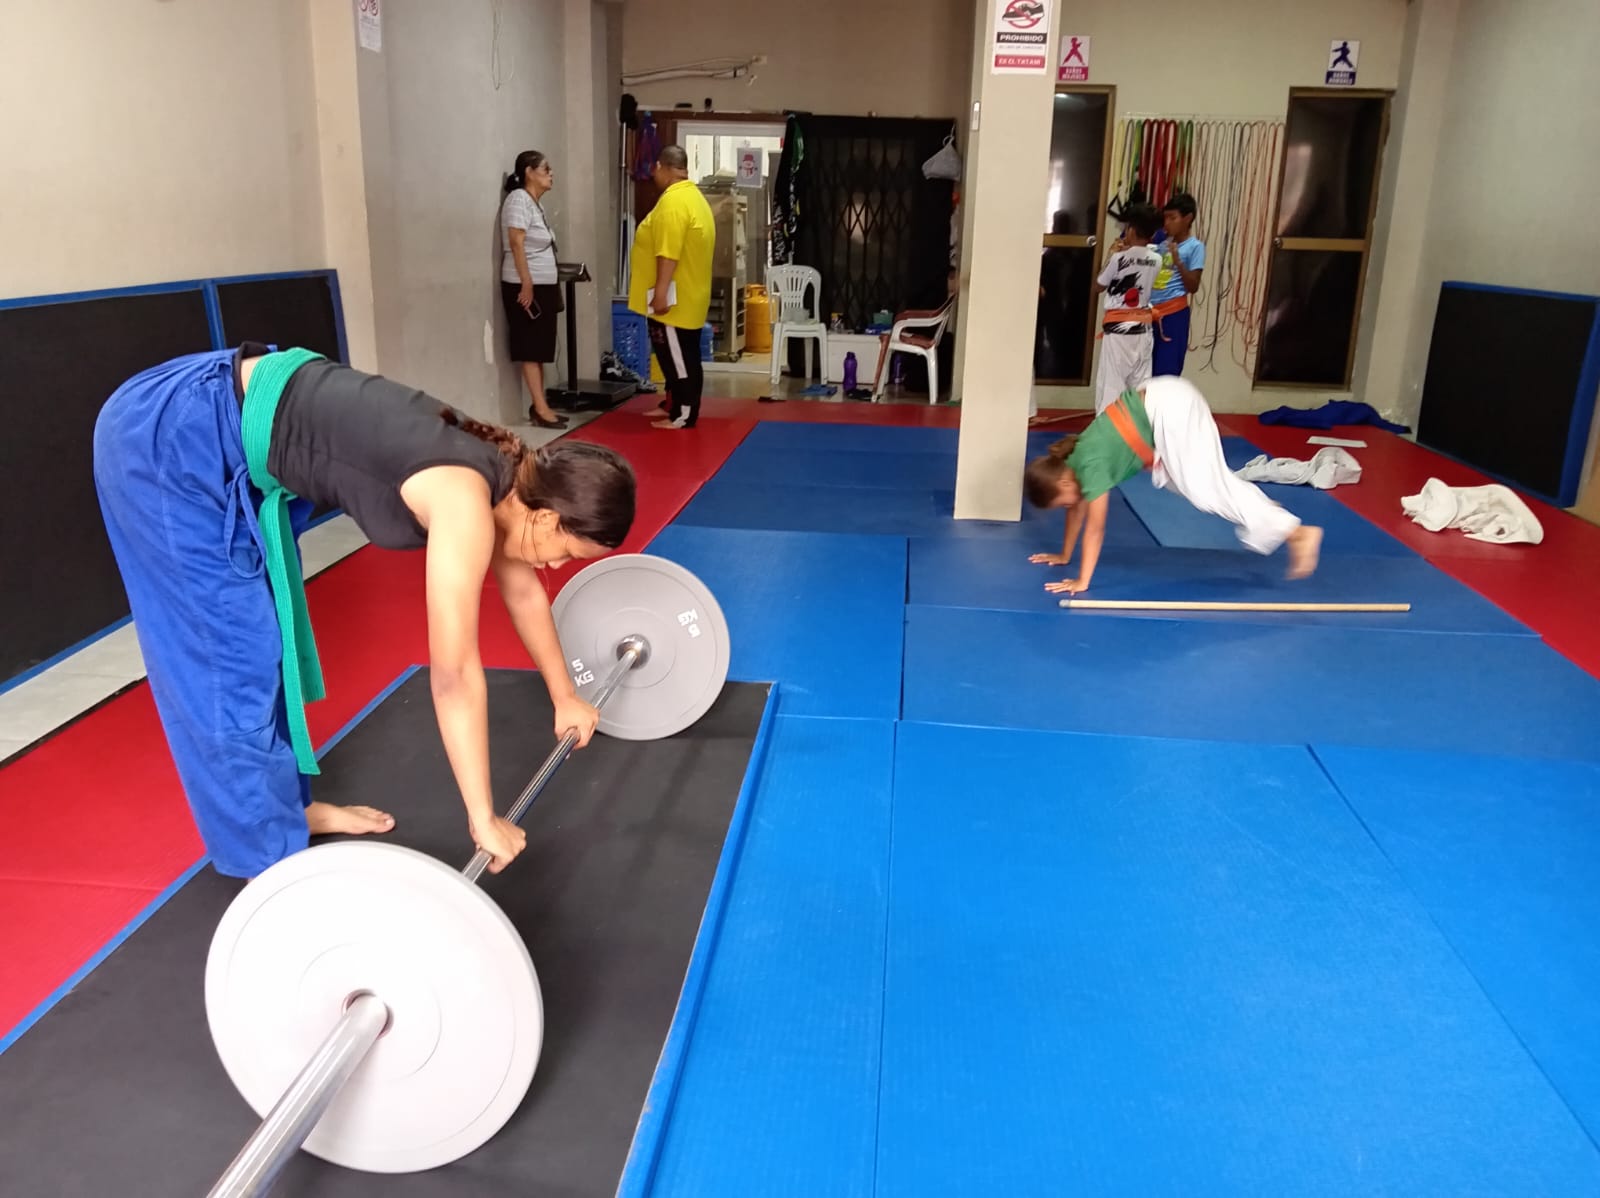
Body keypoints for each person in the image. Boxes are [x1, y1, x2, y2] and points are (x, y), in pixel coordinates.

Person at [92, 342, 637, 880]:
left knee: (264, 640)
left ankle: (291, 813)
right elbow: (453, 676)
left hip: (221, 411)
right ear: (546, 518)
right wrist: (482, 819)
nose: (558, 566)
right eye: (568, 553)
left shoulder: (514, 478)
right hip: (171, 436)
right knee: (228, 664)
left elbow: (522, 592)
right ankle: (268, 868)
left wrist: (565, 696)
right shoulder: (463, 501)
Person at [1023, 376, 1321, 591]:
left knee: (1204, 490)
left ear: (1064, 482)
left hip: (1170, 408)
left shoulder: (1090, 468)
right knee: (1192, 485)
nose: (1066, 507)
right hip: (1165, 402)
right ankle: (1265, 510)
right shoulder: (1074, 461)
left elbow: (1095, 528)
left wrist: (1082, 581)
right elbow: (1076, 509)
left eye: (1060, 502)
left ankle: (1296, 532)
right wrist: (1064, 555)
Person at [628, 144, 715, 430]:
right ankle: (674, 404)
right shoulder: (692, 197)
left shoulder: (674, 202)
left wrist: (661, 292)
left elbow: (668, 252)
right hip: (688, 294)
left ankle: (683, 415)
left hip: (675, 299)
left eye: (654, 170)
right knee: (678, 355)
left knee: (680, 359)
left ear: (661, 167)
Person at [500, 149, 567, 429]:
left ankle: (541, 405)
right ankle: (540, 408)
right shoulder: (518, 199)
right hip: (526, 285)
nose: (551, 174)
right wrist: (526, 282)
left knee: (540, 348)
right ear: (529, 172)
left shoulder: (534, 203)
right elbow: (516, 242)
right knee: (530, 347)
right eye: (545, 169)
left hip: (543, 285)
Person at [1091, 202, 1163, 415]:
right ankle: (1138, 431)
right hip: (1143, 331)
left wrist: (1111, 254)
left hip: (1119, 332)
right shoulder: (1157, 259)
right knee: (1140, 387)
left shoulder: (1118, 258)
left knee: (1111, 387)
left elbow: (1098, 286)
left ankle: (1107, 431)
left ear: (1131, 230)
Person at [1149, 192, 1206, 378]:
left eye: (1172, 218)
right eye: (1165, 218)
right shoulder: (1160, 243)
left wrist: (1178, 261)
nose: (1167, 223)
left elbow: (1193, 286)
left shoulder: (1195, 247)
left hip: (1173, 314)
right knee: (1144, 370)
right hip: (1150, 313)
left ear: (1187, 218)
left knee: (1166, 372)